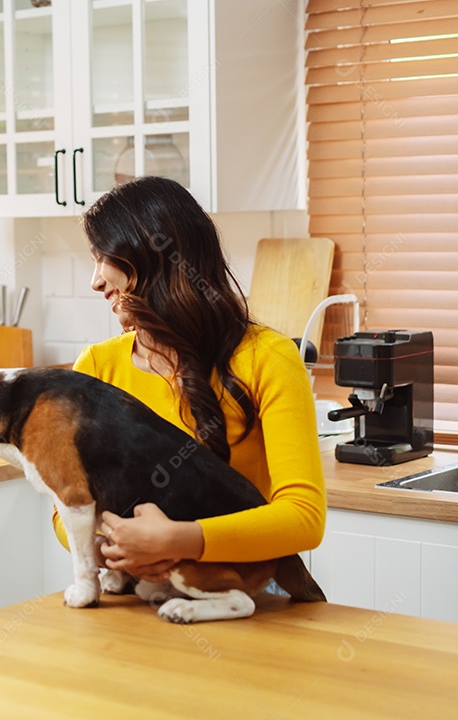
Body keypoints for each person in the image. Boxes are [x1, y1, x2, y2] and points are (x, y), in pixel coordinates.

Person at [54, 176, 326, 584]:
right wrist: (113, 549)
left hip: (243, 591)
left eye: (103, 257)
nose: (95, 281)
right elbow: (65, 509)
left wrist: (178, 542)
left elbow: (303, 517)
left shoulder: (268, 358)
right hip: (132, 591)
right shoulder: (97, 366)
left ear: (153, 256)